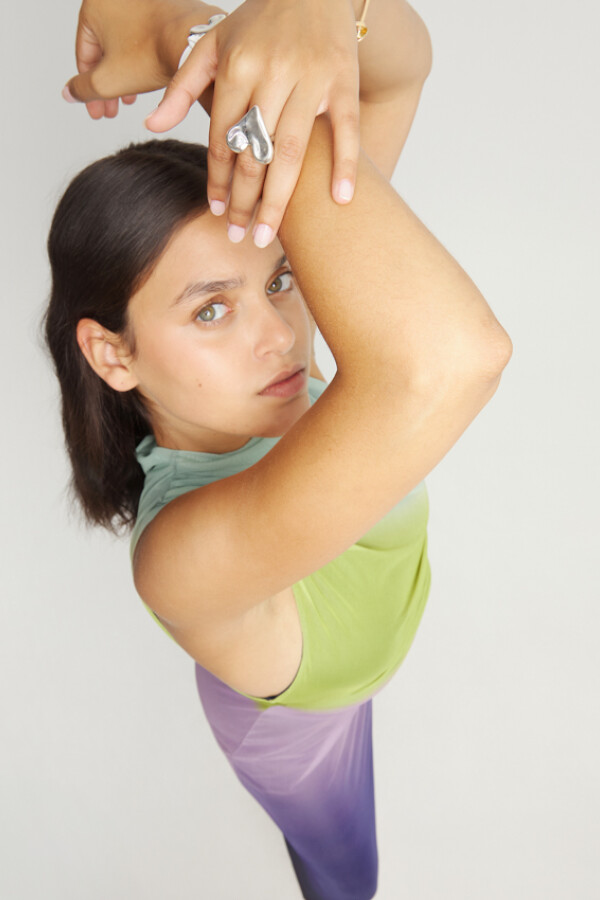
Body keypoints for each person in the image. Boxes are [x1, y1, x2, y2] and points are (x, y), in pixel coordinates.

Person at [48, 1, 512, 897]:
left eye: (283, 278)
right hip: (296, 731)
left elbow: (398, 68)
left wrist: (306, 11)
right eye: (211, 309)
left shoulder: (297, 393)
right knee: (348, 870)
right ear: (112, 352)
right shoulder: (178, 561)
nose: (284, 339)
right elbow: (454, 360)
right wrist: (189, 51)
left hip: (360, 654)